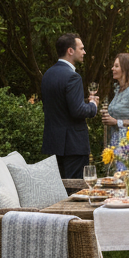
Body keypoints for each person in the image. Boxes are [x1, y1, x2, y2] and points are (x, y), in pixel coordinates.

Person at [41, 32, 99, 180]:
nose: (84, 52)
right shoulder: (73, 77)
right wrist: (93, 105)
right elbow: (77, 110)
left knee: (60, 189)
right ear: (70, 51)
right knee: (76, 189)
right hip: (73, 145)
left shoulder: (47, 74)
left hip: (54, 143)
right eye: (81, 48)